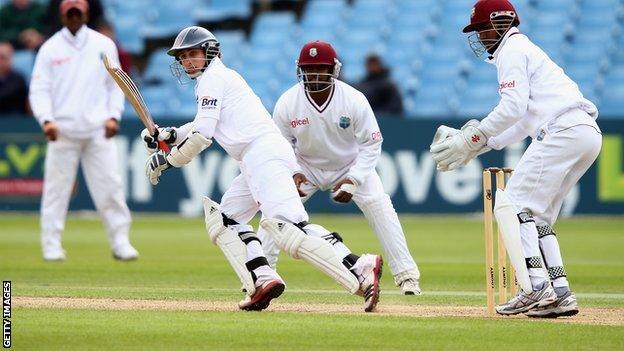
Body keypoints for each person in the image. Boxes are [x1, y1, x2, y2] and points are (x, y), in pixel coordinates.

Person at [142, 26, 383, 312]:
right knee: (226, 220)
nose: (187, 62)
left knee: (289, 228)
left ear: (210, 52)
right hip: (256, 157)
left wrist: (170, 160)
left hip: (262, 154)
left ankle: (361, 266)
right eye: (182, 57)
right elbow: (203, 124)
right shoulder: (217, 78)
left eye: (192, 54)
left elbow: (204, 135)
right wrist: (169, 135)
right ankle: (263, 278)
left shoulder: (212, 78)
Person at [429, 0, 601, 318]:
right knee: (538, 219)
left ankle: (535, 288)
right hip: (585, 133)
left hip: (561, 131)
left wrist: (471, 138)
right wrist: (482, 144)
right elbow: (521, 122)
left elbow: (512, 108)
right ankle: (560, 293)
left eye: (482, 28)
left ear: (501, 21)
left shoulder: (511, 50)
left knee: (511, 205)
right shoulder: (523, 50)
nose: (480, 36)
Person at [257, 40, 421, 295]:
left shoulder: (353, 99)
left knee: (380, 207)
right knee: (273, 213)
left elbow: (371, 144)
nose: (315, 75)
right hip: (305, 166)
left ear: (333, 70)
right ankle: (264, 277)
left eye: (320, 68)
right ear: (300, 70)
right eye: (309, 69)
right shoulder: (288, 101)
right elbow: (279, 145)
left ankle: (407, 276)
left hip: (349, 164)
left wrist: (354, 179)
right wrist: (291, 172)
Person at [29, 0, 138, 262]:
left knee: (110, 187)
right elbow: (39, 90)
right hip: (62, 130)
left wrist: (114, 116)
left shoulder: (103, 44)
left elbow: (116, 85)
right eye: (71, 13)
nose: (75, 18)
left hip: (97, 129)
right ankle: (51, 245)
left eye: (78, 13)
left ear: (86, 13)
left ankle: (120, 241)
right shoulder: (50, 48)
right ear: (63, 15)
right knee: (56, 190)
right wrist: (46, 120)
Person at [0, 41, 28, 115]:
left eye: (2, 57)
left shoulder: (18, 79)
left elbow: (5, 96)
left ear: (10, 58)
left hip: (15, 122)